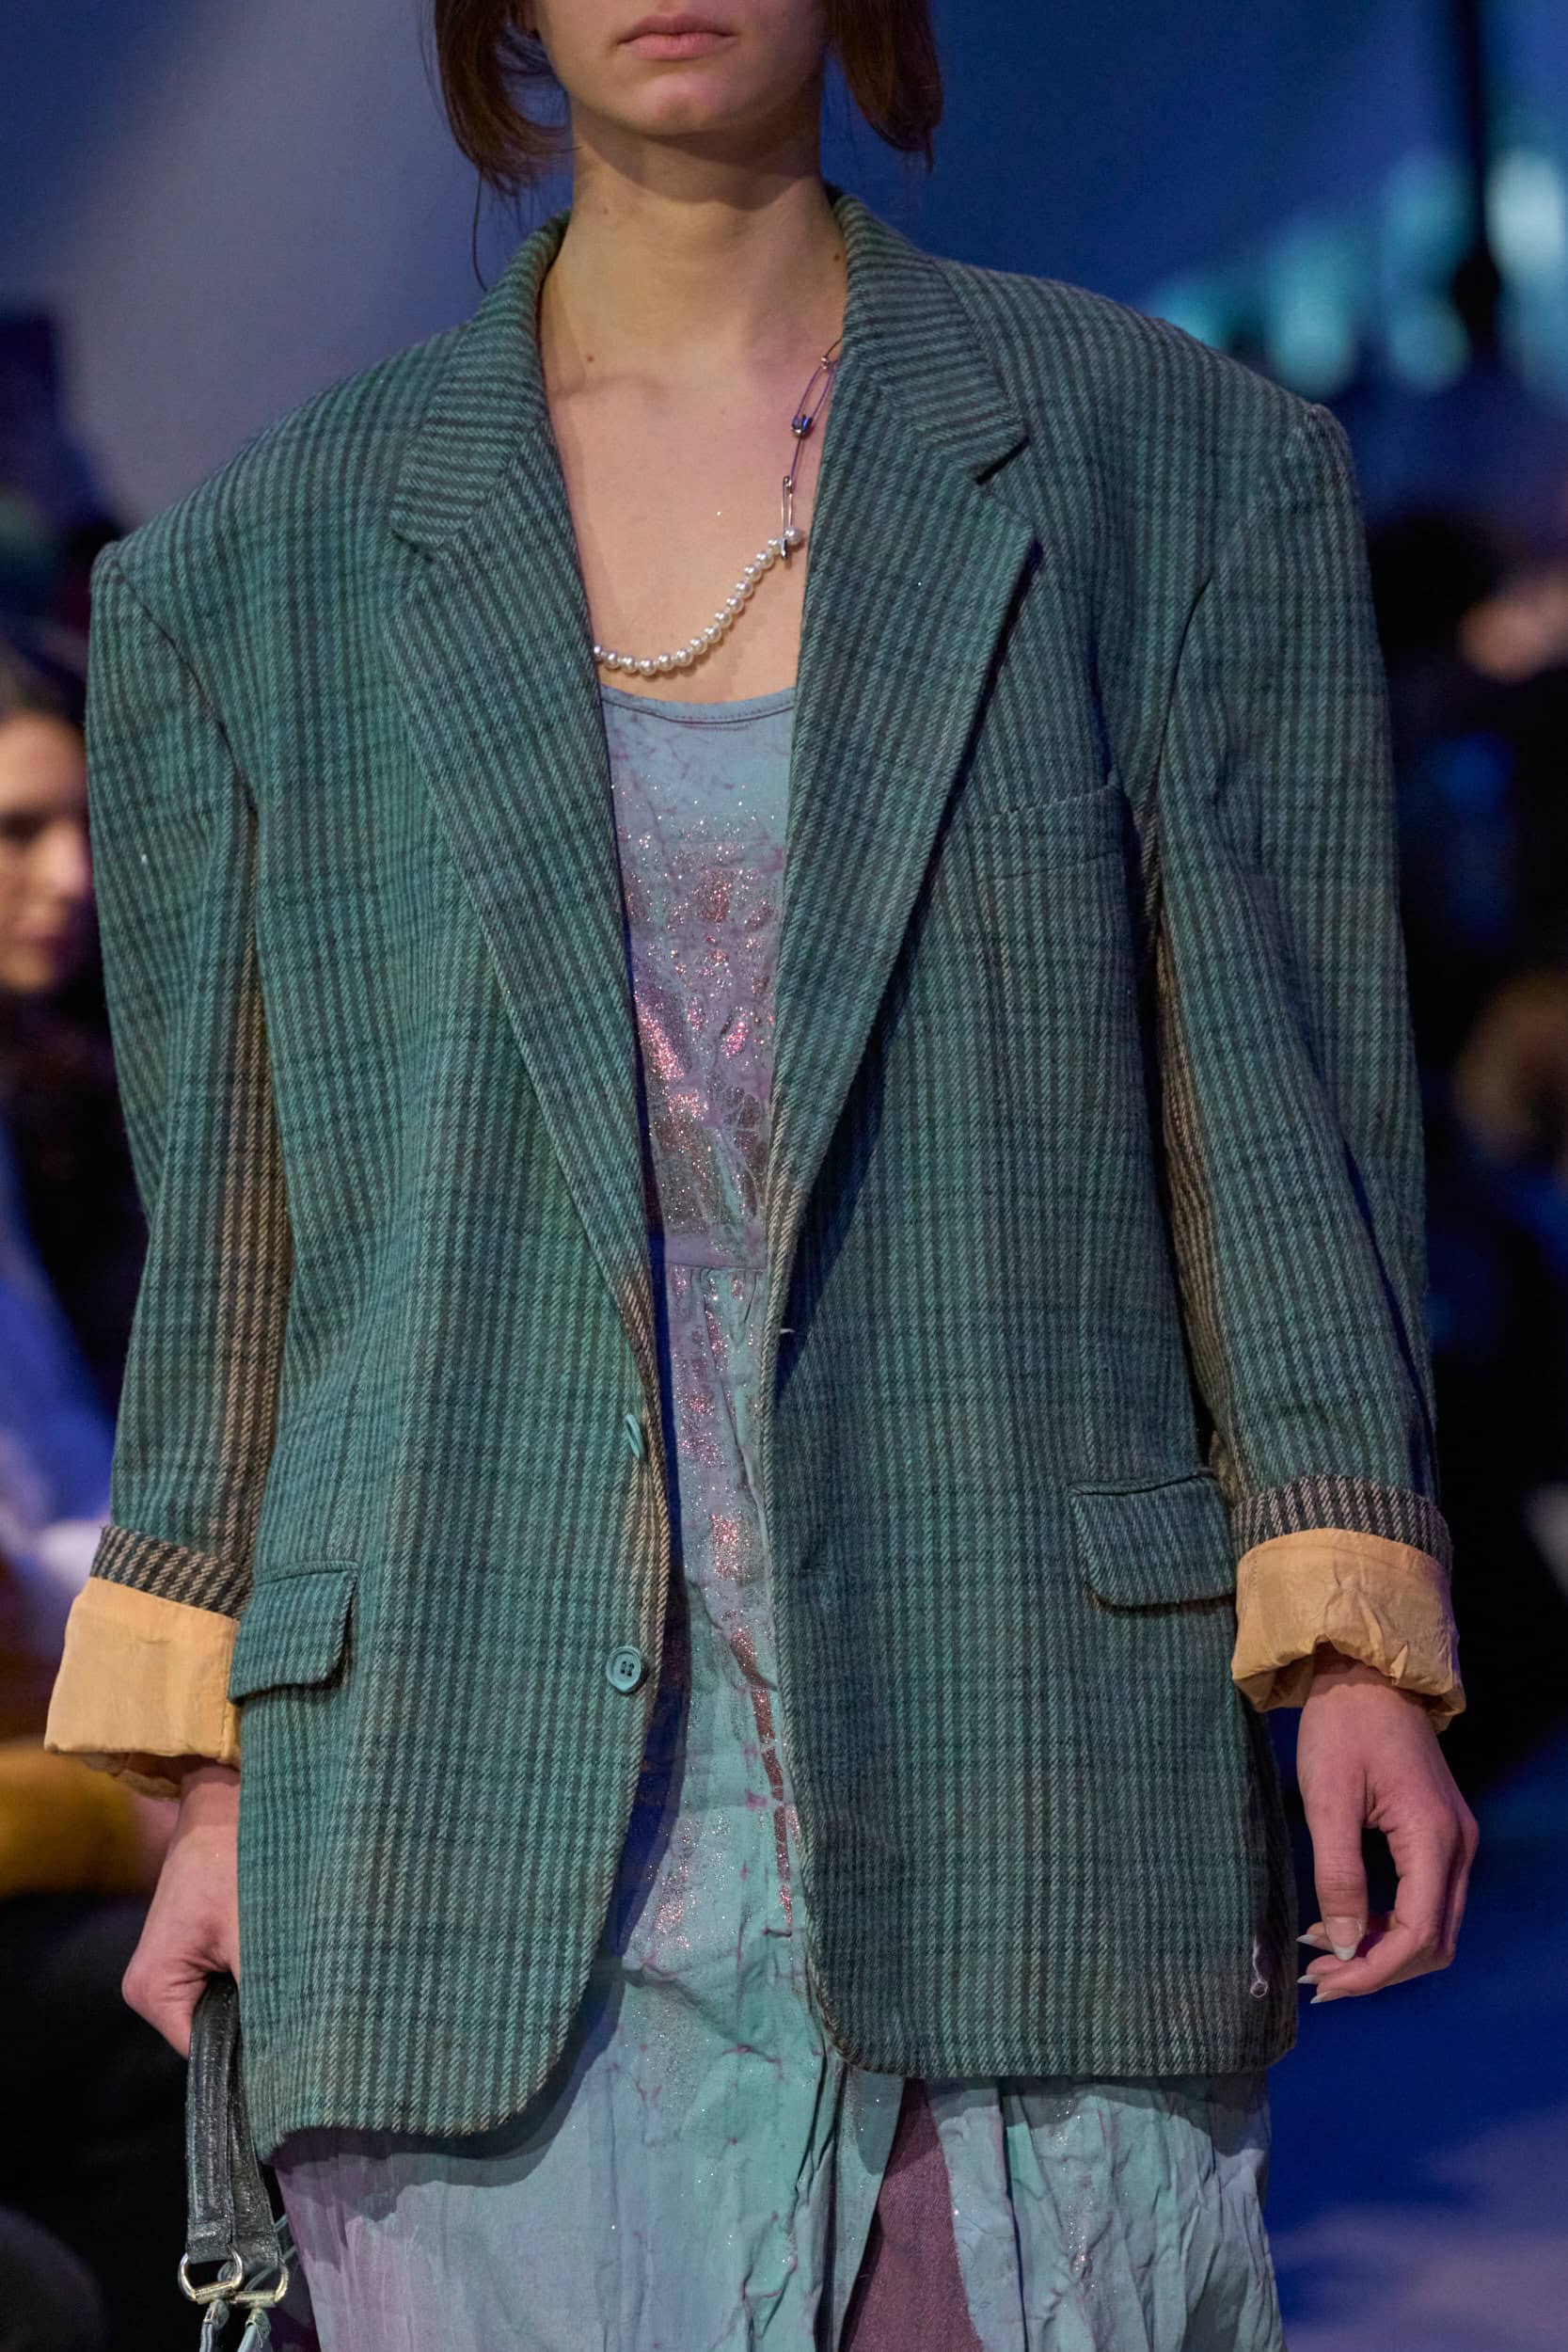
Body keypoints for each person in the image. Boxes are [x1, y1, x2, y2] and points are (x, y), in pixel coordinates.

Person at [45, 5, 1477, 2345]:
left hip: (1017, 1738)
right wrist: (205, 1786)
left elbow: (1273, 1096)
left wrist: (1348, 1628)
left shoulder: (1172, 469)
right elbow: (234, 1249)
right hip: (453, 1786)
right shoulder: (254, 577)